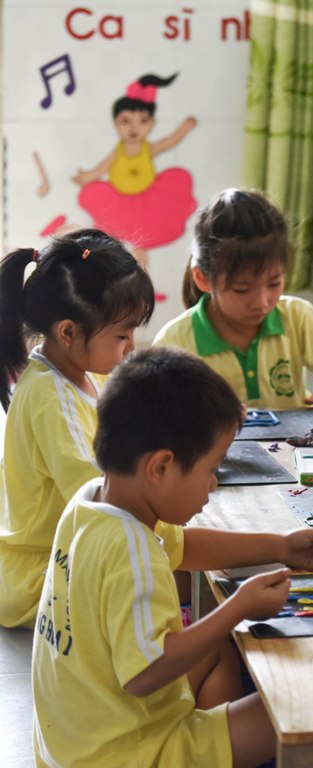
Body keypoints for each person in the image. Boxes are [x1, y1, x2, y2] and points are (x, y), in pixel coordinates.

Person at [32, 346, 313, 768]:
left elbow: (185, 546)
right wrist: (239, 608)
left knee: (217, 653)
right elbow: (146, 673)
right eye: (211, 468)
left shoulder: (91, 501)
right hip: (125, 754)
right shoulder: (132, 550)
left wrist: (279, 546)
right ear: (160, 468)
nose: (213, 486)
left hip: (74, 740)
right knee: (299, 708)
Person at [0, 229, 155, 629]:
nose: (131, 346)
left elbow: (129, 427)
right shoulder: (50, 396)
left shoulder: (82, 372)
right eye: (122, 335)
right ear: (68, 332)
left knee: (177, 558)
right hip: (43, 574)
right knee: (171, 568)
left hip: (72, 551)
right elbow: (99, 495)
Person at [154, 188, 313, 410]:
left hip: (292, 443)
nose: (262, 301)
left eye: (274, 284)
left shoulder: (297, 316)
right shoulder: (175, 341)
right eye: (241, 289)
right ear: (202, 278)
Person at [72, 73, 197, 269]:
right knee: (126, 247)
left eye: (143, 121)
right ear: (116, 123)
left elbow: (169, 141)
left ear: (152, 124)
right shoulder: (118, 151)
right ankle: (131, 282)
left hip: (149, 203)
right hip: (121, 204)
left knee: (143, 244)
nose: (134, 128)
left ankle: (143, 282)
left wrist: (184, 128)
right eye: (126, 121)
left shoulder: (147, 149)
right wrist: (86, 177)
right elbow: (101, 169)